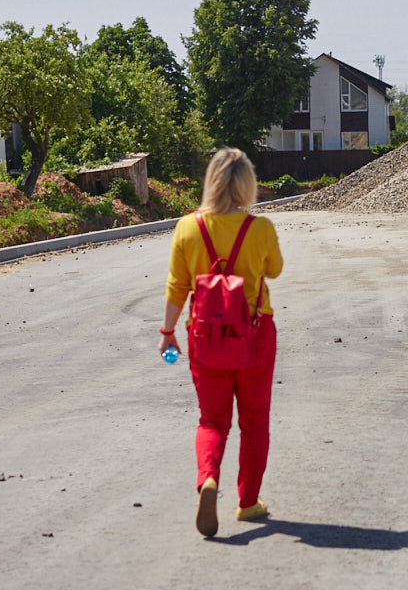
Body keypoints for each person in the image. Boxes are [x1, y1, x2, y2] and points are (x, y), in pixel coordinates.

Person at [158, 147, 283, 537]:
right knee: (254, 421)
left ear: (210, 180)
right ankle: (247, 503)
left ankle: (208, 479)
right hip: (255, 336)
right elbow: (275, 270)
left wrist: (167, 333)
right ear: (247, 184)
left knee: (212, 420)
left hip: (205, 336)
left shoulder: (187, 227)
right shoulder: (260, 228)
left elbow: (178, 287)